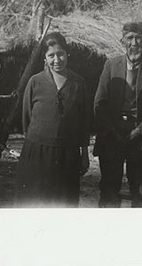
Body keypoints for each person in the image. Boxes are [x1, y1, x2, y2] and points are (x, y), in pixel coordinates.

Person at [93, 22, 142, 207]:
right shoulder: (111, 65)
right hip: (112, 135)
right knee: (109, 190)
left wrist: (140, 130)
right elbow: (100, 102)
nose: (134, 43)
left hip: (141, 137)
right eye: (130, 38)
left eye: (139, 38)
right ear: (122, 41)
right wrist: (113, 131)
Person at [16, 32, 91, 207]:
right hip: (36, 154)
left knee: (63, 205)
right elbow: (26, 119)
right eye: (51, 55)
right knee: (34, 203)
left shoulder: (79, 84)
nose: (56, 59)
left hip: (68, 154)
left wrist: (84, 154)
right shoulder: (35, 82)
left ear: (67, 54)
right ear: (44, 58)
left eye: (60, 54)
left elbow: (84, 123)